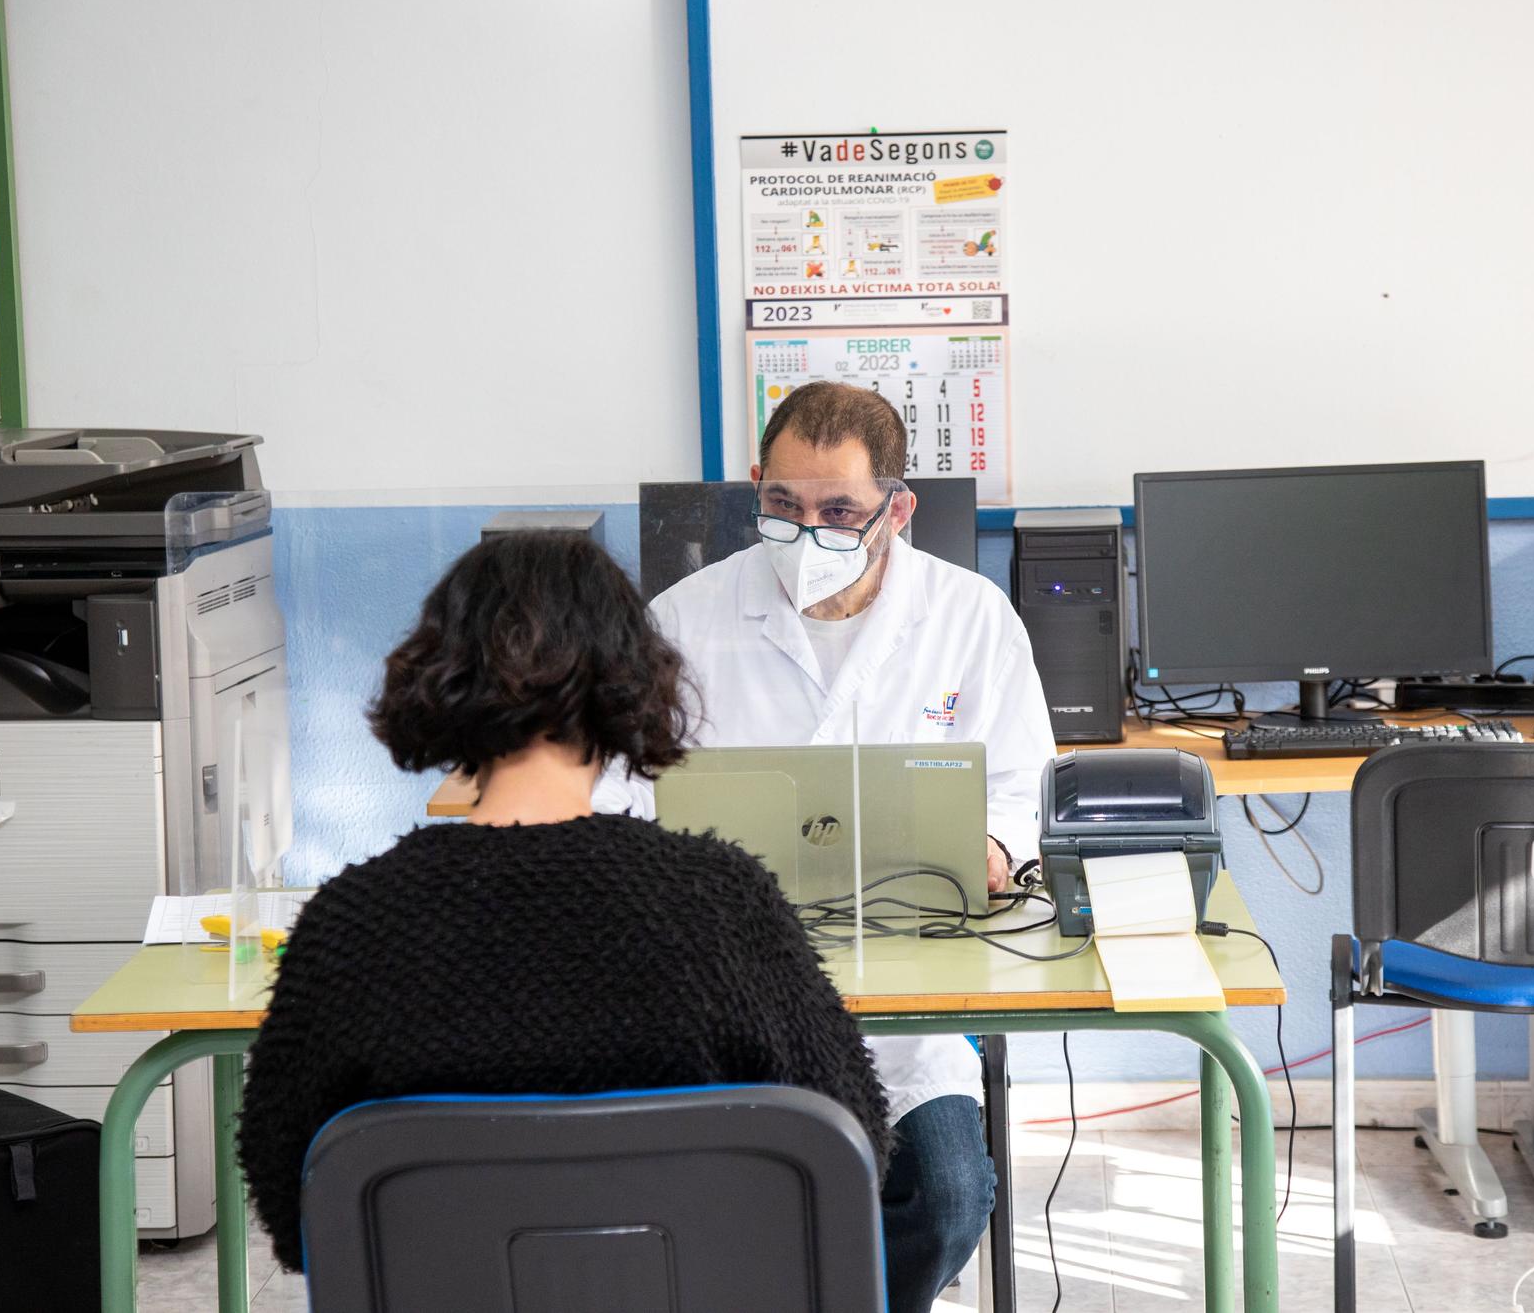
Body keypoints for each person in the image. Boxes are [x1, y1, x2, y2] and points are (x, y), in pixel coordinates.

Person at [236, 531, 891, 1273]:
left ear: (439, 676)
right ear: (631, 678)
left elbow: (292, 1209)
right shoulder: (724, 901)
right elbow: (852, 1147)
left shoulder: (352, 923)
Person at [604, 381, 1057, 1311]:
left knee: (948, 1194)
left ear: (897, 509)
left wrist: (994, 846)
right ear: (759, 487)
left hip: (912, 994)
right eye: (782, 505)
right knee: (715, 1198)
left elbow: (1023, 784)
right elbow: (621, 795)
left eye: (839, 511)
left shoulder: (972, 618)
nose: (808, 533)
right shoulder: (683, 621)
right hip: (731, 991)